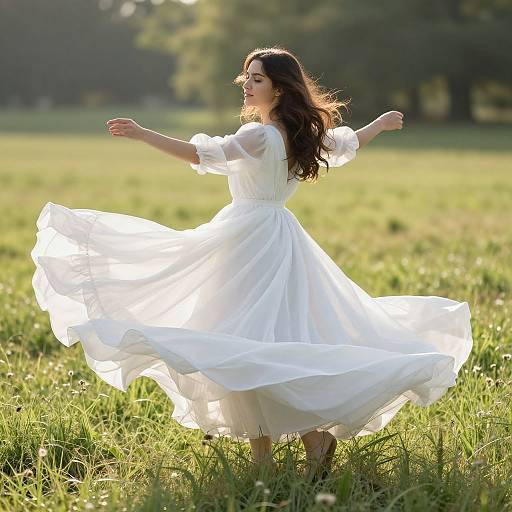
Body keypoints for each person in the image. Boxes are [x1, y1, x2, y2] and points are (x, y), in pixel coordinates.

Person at [30, 47, 473, 481]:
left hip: (247, 239)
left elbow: (199, 154)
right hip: (279, 236)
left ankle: (281, 456)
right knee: (275, 338)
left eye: (257, 79)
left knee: (246, 341)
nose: (247, 85)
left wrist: (143, 133)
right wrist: (380, 123)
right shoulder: (301, 133)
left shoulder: (260, 136)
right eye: (247, 77)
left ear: (279, 89)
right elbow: (348, 141)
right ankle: (304, 445)